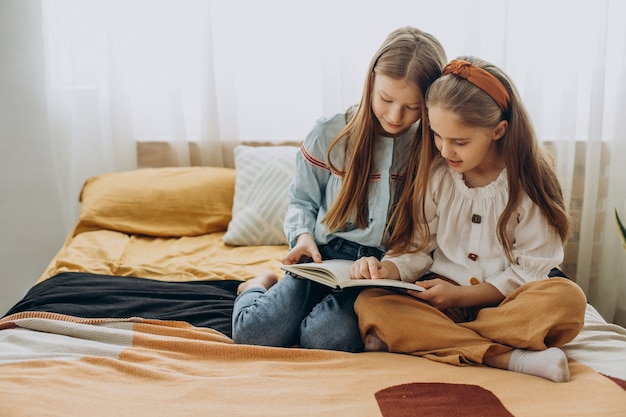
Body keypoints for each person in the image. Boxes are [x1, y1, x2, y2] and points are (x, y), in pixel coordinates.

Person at [351, 57, 587, 382]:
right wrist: (387, 269)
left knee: (567, 299)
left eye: (460, 142)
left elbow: (532, 267)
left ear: (498, 131)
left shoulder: (528, 183)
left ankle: (435, 340)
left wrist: (466, 296)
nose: (446, 150)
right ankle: (506, 357)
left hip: (508, 303)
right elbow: (418, 247)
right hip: (442, 302)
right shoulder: (438, 175)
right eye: (437, 136)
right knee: (371, 304)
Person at [231, 27, 447, 352]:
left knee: (325, 340)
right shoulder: (329, 133)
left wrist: (389, 268)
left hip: (378, 270)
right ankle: (260, 283)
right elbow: (302, 201)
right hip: (322, 257)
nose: (395, 115)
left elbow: (422, 235)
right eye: (386, 99)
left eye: (412, 107)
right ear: (370, 82)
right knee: (255, 335)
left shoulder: (431, 147)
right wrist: (302, 236)